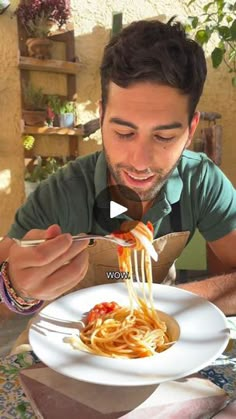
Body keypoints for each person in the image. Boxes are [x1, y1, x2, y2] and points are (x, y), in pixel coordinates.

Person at [0, 18, 236, 352]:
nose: (139, 162)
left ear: (191, 128)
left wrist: (167, 303)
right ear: (102, 114)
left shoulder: (202, 181)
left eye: (164, 136)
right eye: (123, 133)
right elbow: (5, 284)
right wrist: (15, 290)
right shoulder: (61, 194)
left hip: (158, 348)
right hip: (71, 350)